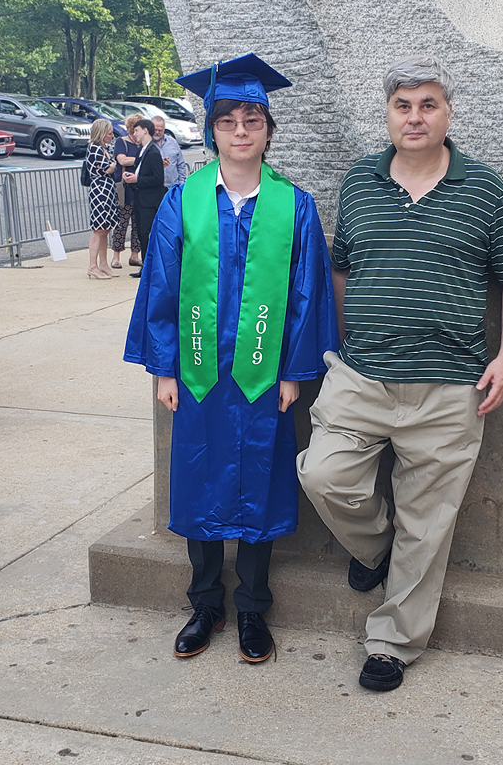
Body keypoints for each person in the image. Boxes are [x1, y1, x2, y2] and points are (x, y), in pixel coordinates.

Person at [297, 55, 503, 692]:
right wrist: (353, 338)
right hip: (362, 378)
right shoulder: (359, 183)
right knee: (323, 475)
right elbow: (341, 267)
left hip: (451, 388)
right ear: (389, 114)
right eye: (403, 105)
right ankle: (376, 551)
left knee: (429, 524)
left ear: (448, 113)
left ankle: (392, 644)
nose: (415, 116)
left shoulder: (484, 190)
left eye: (428, 104)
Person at [124, 53, 338, 664]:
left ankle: (252, 609)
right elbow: (160, 288)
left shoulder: (293, 206)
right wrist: (164, 367)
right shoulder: (182, 201)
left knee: (262, 483)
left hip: (262, 375)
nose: (240, 130)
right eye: (227, 119)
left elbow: (307, 295)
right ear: (212, 130)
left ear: (268, 129)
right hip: (197, 370)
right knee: (197, 479)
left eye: (253, 118)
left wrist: (296, 373)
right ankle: (204, 604)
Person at [123, 118, 166, 278]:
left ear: (145, 131)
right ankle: (146, 265)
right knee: (141, 233)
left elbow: (157, 179)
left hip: (150, 201)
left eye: (136, 130)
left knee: (146, 233)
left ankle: (150, 267)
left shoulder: (153, 152)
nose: (135, 134)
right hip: (140, 198)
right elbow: (140, 172)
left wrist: (137, 180)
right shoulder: (141, 150)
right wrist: (131, 178)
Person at [85, 119, 120, 279]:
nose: (112, 136)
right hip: (99, 191)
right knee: (98, 229)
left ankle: (103, 263)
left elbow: (111, 167)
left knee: (105, 229)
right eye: (109, 133)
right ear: (101, 133)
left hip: (108, 189)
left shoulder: (105, 149)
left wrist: (110, 168)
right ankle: (93, 265)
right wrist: (109, 168)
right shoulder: (93, 149)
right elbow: (105, 168)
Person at [111, 114, 143, 270]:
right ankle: (116, 256)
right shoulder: (121, 142)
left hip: (139, 187)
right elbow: (121, 160)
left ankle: (135, 255)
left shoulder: (143, 145)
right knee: (121, 223)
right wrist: (140, 159)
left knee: (138, 223)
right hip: (125, 189)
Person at [152, 116, 187, 189]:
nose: (157, 132)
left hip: (172, 188)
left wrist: (181, 183)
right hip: (154, 190)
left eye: (160, 130)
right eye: (155, 129)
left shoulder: (172, 142)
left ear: (164, 129)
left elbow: (181, 164)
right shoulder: (147, 144)